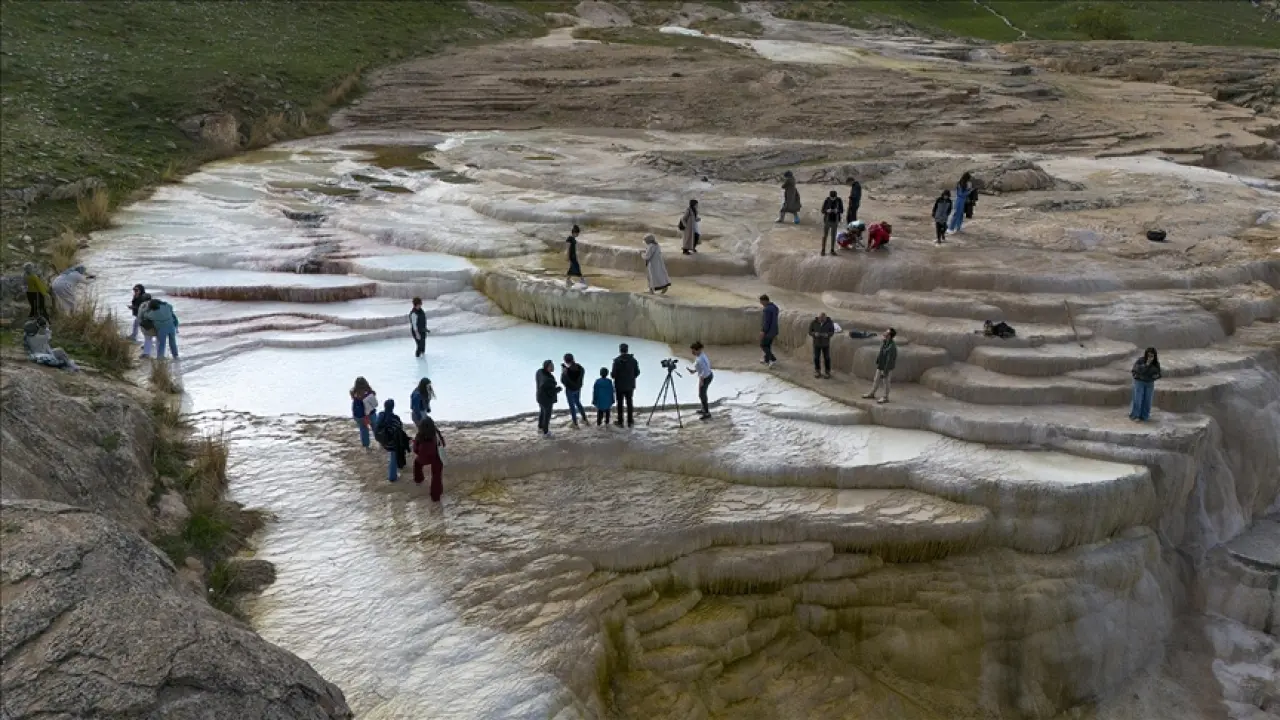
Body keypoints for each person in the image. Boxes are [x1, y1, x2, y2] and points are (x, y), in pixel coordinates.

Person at [374, 399, 409, 482]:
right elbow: (399, 429)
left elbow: (376, 428)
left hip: (382, 440)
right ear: (393, 407)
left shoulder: (380, 415)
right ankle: (392, 477)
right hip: (391, 443)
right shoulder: (395, 418)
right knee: (393, 455)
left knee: (392, 451)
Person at [413, 415, 446, 501]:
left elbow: (415, 449)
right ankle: (436, 496)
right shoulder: (436, 433)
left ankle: (419, 480)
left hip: (424, 457)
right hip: (436, 457)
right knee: (436, 476)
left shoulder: (419, 435)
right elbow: (443, 444)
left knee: (417, 463)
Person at [862, 328, 897, 404]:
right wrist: (878, 361)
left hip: (887, 367)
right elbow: (881, 352)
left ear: (890, 336)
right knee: (876, 380)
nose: (884, 333)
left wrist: (885, 371)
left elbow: (889, 360)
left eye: (887, 332)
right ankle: (872, 393)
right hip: (881, 365)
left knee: (886, 382)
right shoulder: (885, 342)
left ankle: (885, 397)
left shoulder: (892, 347)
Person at [611, 343, 640, 427]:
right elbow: (637, 372)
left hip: (619, 386)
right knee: (629, 402)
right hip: (630, 385)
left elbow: (613, 375)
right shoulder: (633, 360)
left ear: (620, 350)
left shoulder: (616, 361)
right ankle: (630, 421)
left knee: (620, 403)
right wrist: (631, 377)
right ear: (627, 350)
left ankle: (620, 421)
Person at [1129, 347, 1162, 422]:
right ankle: (1135, 415)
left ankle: (1144, 416)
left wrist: (1156, 376)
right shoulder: (1140, 360)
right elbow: (1136, 370)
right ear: (1146, 355)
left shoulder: (1156, 363)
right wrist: (1147, 364)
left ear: (1154, 356)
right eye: (1149, 355)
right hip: (1139, 382)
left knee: (1148, 400)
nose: (1150, 357)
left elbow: (1159, 373)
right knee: (1138, 399)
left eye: (1152, 356)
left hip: (1149, 383)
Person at [688, 341, 713, 419]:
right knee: (701, 394)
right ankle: (704, 410)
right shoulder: (700, 355)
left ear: (698, 350)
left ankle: (707, 413)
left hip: (706, 377)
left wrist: (701, 380)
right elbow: (700, 368)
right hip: (705, 376)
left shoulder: (701, 358)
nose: (692, 352)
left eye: (693, 350)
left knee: (702, 395)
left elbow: (705, 370)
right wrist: (694, 371)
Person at [561, 353, 587, 428]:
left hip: (570, 390)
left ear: (565, 361)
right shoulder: (580, 368)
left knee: (572, 406)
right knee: (578, 402)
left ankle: (575, 423)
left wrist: (563, 373)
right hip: (578, 388)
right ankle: (584, 419)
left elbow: (563, 381)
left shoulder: (567, 371)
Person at [536, 360, 561, 436]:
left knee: (542, 412)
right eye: (551, 366)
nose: (553, 367)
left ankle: (540, 426)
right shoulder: (548, 380)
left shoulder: (539, 372)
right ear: (546, 367)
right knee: (547, 415)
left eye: (553, 365)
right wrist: (558, 389)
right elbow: (551, 392)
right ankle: (546, 432)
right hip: (547, 400)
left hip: (539, 397)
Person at [350, 377, 377, 449]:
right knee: (375, 427)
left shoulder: (354, 393)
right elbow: (373, 402)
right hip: (370, 413)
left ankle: (366, 446)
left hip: (358, 415)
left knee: (363, 429)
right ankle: (380, 440)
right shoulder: (369, 392)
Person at [809, 312, 835, 379]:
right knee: (816, 358)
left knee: (827, 358)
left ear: (826, 318)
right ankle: (817, 371)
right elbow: (809, 332)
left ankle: (827, 372)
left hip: (825, 344)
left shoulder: (830, 323)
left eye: (823, 319)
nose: (822, 320)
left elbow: (832, 332)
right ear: (818, 318)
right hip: (816, 343)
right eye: (820, 319)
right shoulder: (813, 322)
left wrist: (828, 334)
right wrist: (814, 334)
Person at [820, 191, 845, 256]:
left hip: (835, 221)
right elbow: (822, 210)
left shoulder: (839, 200)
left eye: (834, 198)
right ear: (829, 196)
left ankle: (832, 250)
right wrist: (827, 210)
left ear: (836, 197)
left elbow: (842, 210)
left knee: (833, 236)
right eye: (831, 198)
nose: (833, 199)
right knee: (825, 235)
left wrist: (838, 211)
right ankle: (823, 250)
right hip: (827, 221)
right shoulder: (827, 200)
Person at [759, 294, 779, 367]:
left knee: (763, 345)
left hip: (769, 331)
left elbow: (766, 322)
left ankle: (773, 359)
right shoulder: (775, 307)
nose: (761, 304)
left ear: (765, 301)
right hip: (775, 330)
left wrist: (763, 331)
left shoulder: (767, 309)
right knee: (768, 345)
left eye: (761, 302)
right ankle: (766, 360)